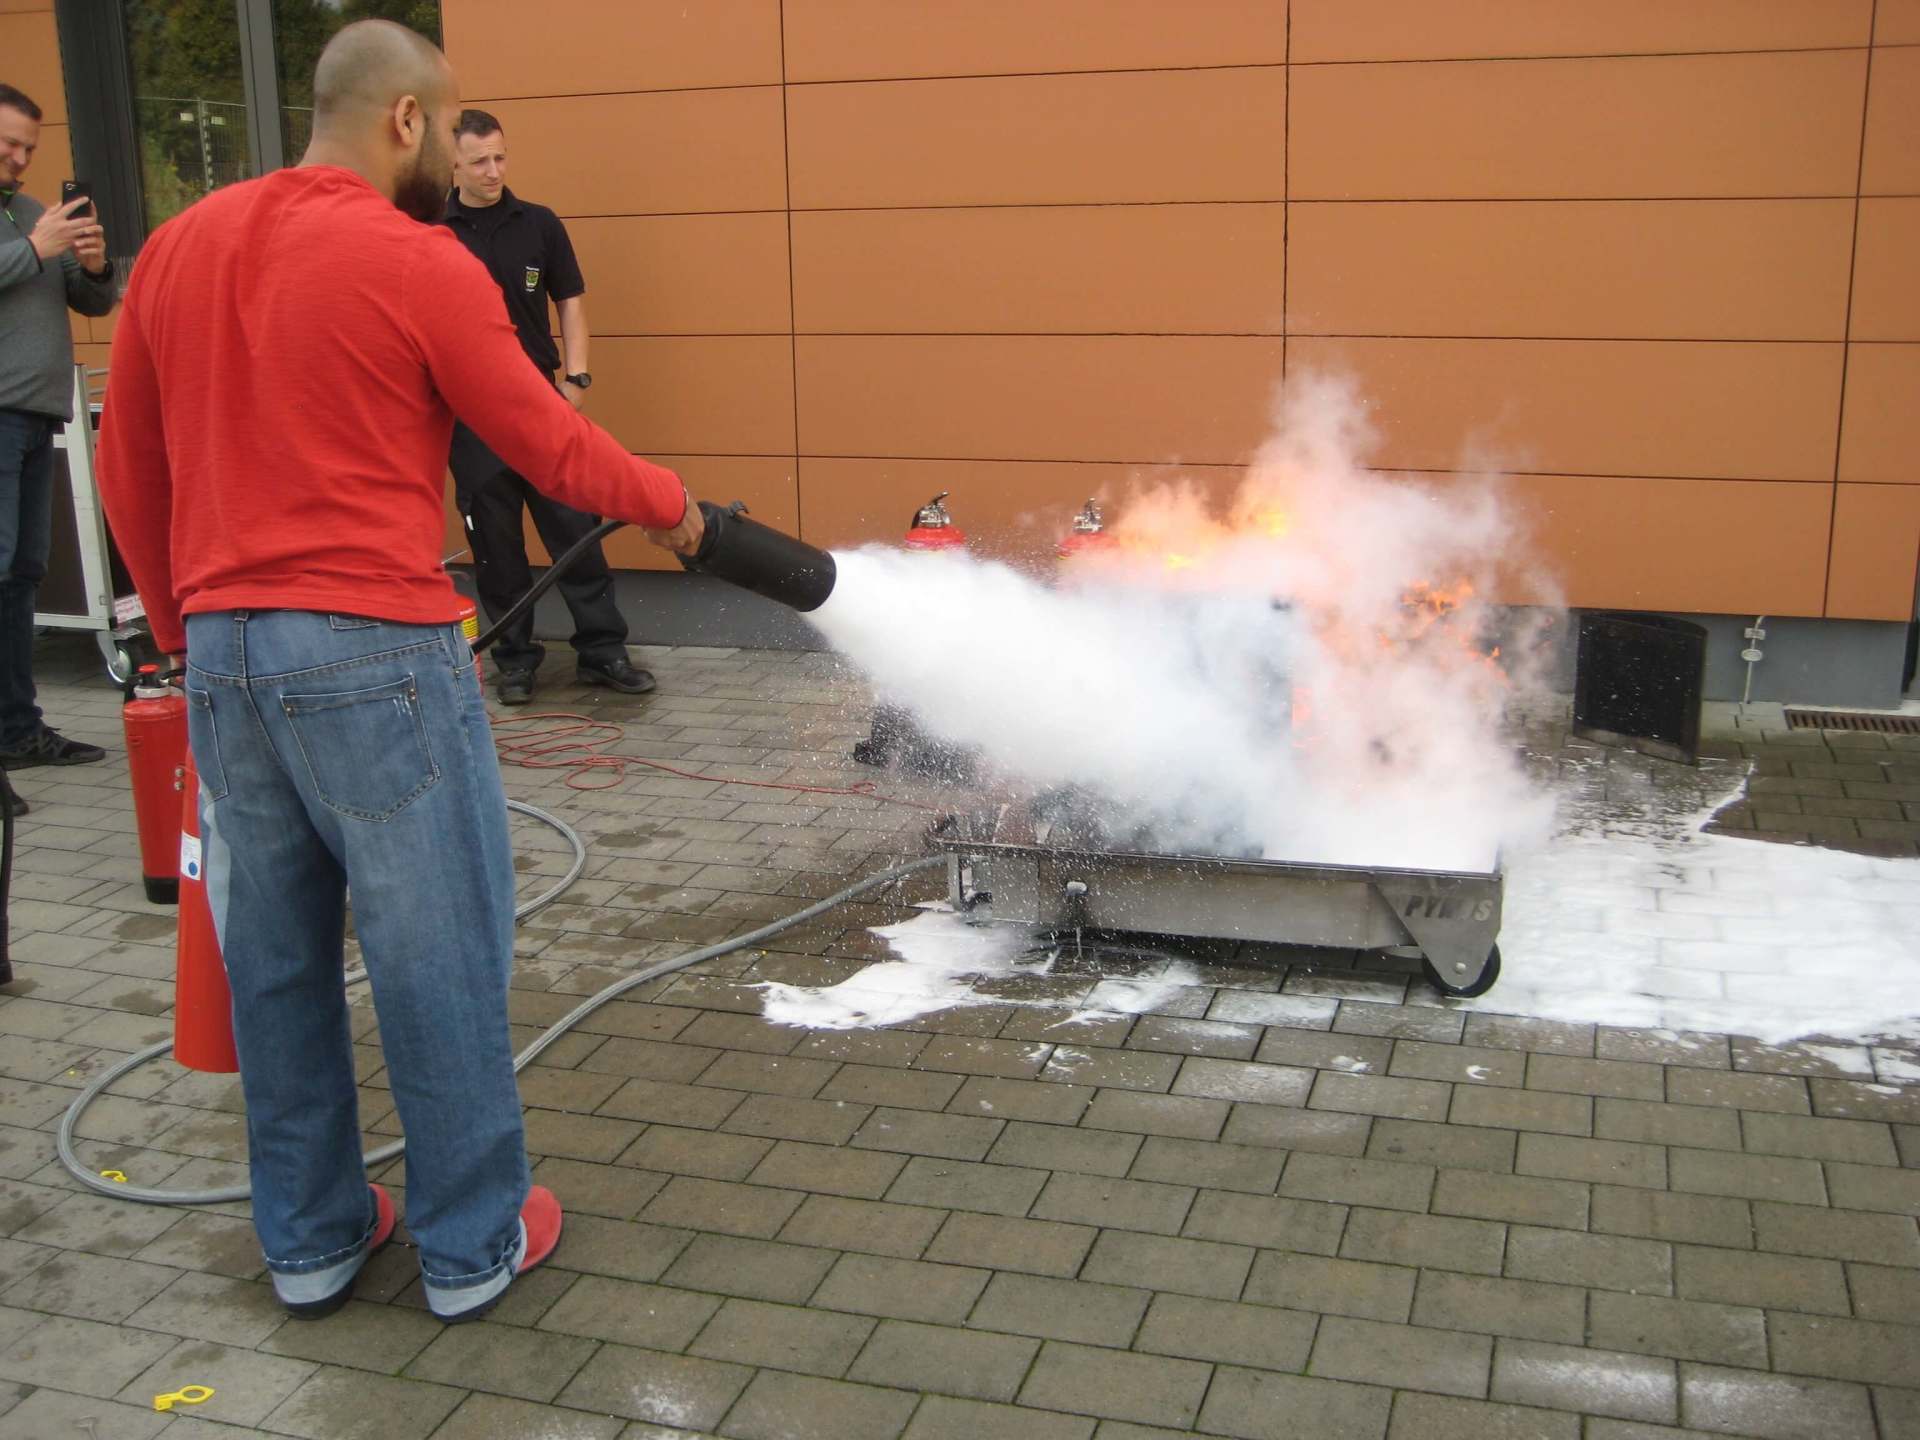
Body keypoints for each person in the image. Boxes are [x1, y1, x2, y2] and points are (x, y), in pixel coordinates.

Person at [95, 20, 702, 1323]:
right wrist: (677, 508)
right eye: (451, 121)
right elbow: (545, 437)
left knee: (276, 956)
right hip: (372, 649)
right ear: (408, 123)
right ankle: (474, 1242)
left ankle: (311, 1240)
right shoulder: (414, 259)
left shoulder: (179, 252)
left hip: (224, 658)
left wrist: (177, 623)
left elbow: (123, 466)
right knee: (437, 947)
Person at [441, 108, 649, 705]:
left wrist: (576, 378)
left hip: (542, 403)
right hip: (472, 417)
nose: (493, 170)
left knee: (574, 528)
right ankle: (516, 661)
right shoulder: (432, 231)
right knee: (497, 547)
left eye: (500, 157)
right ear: (453, 161)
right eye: (479, 161)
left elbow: (571, 300)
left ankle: (603, 651)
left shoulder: (539, 224)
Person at [0, 81, 116, 817]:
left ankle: (17, 730)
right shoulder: (26, 229)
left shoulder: (32, 212)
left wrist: (94, 263)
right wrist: (32, 251)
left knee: (21, 578)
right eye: (8, 144)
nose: (18, 159)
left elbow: (92, 301)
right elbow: (27, 263)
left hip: (38, 417)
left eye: (27, 150)